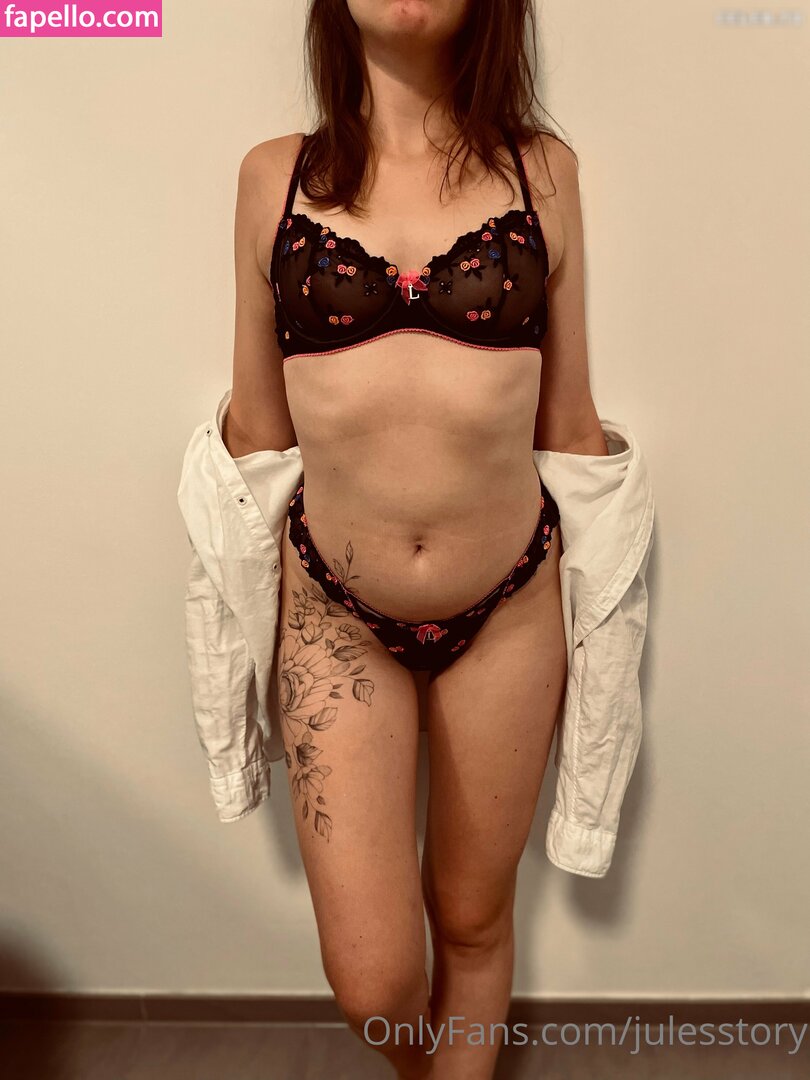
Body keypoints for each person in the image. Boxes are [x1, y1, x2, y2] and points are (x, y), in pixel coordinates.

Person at [224, 2, 607, 1076]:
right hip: (334, 614)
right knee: (374, 979)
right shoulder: (273, 177)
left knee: (474, 921)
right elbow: (257, 432)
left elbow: (571, 427)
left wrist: (609, 625)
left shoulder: (543, 172)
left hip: (511, 606)